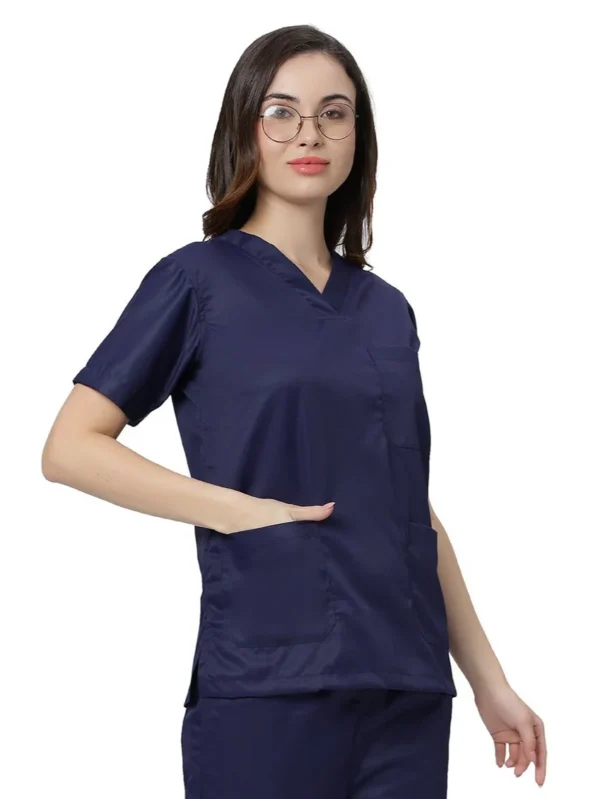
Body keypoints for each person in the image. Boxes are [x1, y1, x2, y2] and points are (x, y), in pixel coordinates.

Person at [42, 23, 547, 798]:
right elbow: (71, 446)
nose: (309, 133)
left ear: (357, 136)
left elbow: (410, 509)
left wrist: (489, 680)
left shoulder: (387, 310)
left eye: (333, 113)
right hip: (268, 683)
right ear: (245, 129)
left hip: (407, 694)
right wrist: (240, 511)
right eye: (281, 112)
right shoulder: (195, 282)